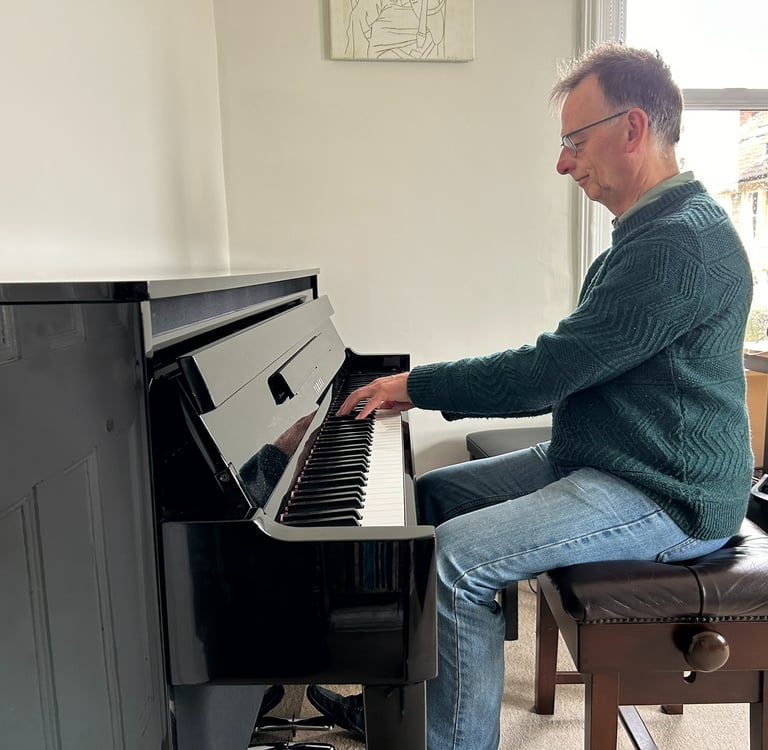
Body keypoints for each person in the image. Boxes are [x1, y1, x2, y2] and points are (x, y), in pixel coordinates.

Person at [306, 42, 754, 750]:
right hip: (609, 454)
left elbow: (548, 373)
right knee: (431, 505)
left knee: (455, 560)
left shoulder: (678, 246)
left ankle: (455, 742)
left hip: (669, 490)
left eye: (575, 141)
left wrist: (414, 386)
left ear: (633, 128)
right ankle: (412, 710)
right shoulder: (646, 234)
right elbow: (574, 363)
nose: (563, 162)